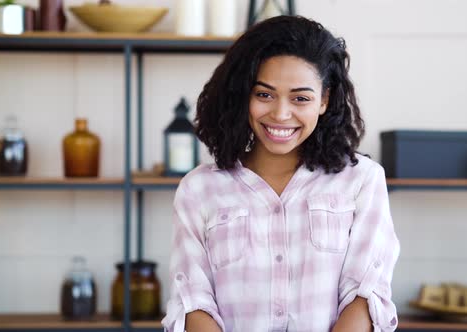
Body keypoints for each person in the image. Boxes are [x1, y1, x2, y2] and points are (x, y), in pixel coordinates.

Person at [162, 15, 400, 332]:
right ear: (242, 94)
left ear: (324, 100)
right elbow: (194, 301)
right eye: (264, 94)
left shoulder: (362, 181)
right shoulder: (198, 189)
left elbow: (364, 295)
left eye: (300, 98)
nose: (281, 114)